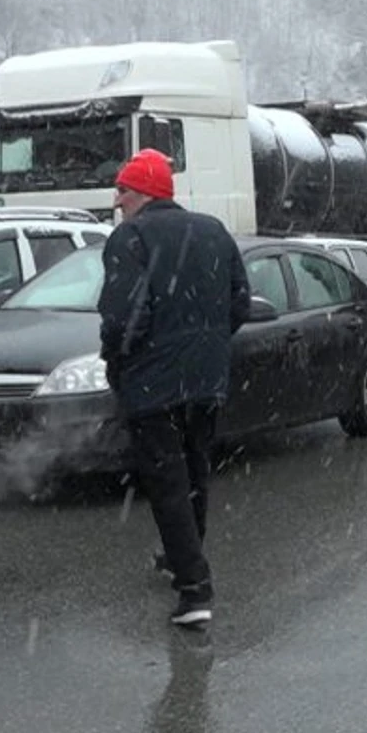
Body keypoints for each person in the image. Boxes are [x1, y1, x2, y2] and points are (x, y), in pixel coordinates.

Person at [99, 148, 251, 629]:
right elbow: (240, 302)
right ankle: (182, 556)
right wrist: (206, 346)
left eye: (122, 191)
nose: (117, 201)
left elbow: (122, 315)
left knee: (167, 485)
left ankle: (194, 589)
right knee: (194, 474)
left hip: (153, 385)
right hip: (206, 381)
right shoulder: (213, 231)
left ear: (142, 192)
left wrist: (118, 362)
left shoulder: (131, 238)